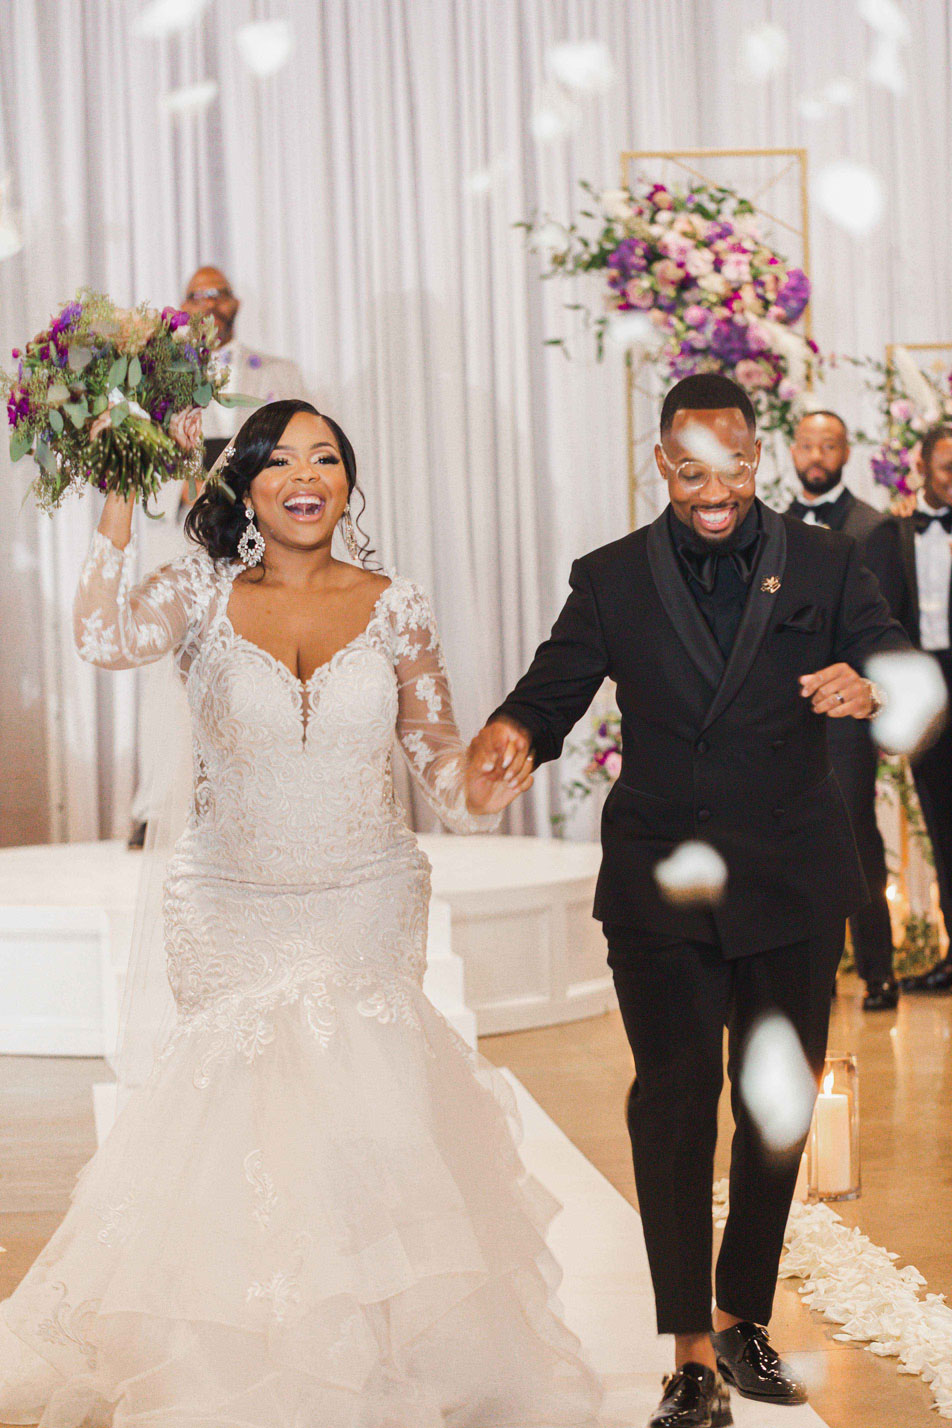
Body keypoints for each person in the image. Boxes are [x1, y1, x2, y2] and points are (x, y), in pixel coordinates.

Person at [0, 401, 602, 1428]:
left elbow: (441, 768)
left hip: (365, 895)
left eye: (326, 457)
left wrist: (499, 775)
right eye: (280, 460)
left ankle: (374, 1366)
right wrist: (115, 498)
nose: (306, 474)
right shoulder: (197, 589)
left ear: (348, 484)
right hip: (230, 901)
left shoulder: (396, 604)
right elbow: (101, 638)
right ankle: (234, 1363)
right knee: (243, 1132)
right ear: (244, 485)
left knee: (363, 1130)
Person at [470, 374, 908, 1428]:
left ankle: (743, 1315)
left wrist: (871, 682)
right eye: (686, 466)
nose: (711, 490)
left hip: (791, 880)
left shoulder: (823, 561)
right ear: (658, 463)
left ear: (752, 458)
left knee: (774, 1105)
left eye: (728, 465)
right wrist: (511, 739)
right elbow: (549, 692)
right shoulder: (612, 578)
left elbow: (891, 649)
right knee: (671, 1107)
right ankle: (688, 1357)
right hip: (661, 885)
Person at [128, 266, 306, 846]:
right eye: (196, 295)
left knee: (256, 658)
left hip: (256, 533)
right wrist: (185, 482)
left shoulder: (275, 373)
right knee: (175, 662)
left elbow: (304, 450)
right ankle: (164, 802)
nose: (209, 304)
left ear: (235, 301)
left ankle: (260, 795)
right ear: (182, 307)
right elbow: (141, 467)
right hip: (185, 532)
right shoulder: (157, 381)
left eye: (218, 293)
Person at [786, 410, 898, 1010]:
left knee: (855, 836)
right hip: (787, 712)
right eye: (808, 443)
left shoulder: (872, 526)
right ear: (792, 449)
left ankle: (878, 970)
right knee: (795, 841)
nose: (817, 454)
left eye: (829, 444)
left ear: (846, 452)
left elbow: (880, 627)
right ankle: (813, 970)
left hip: (848, 713)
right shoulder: (771, 526)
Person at [865, 423, 952, 994]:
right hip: (926, 689)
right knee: (942, 825)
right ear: (921, 468)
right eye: (947, 467)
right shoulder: (890, 532)